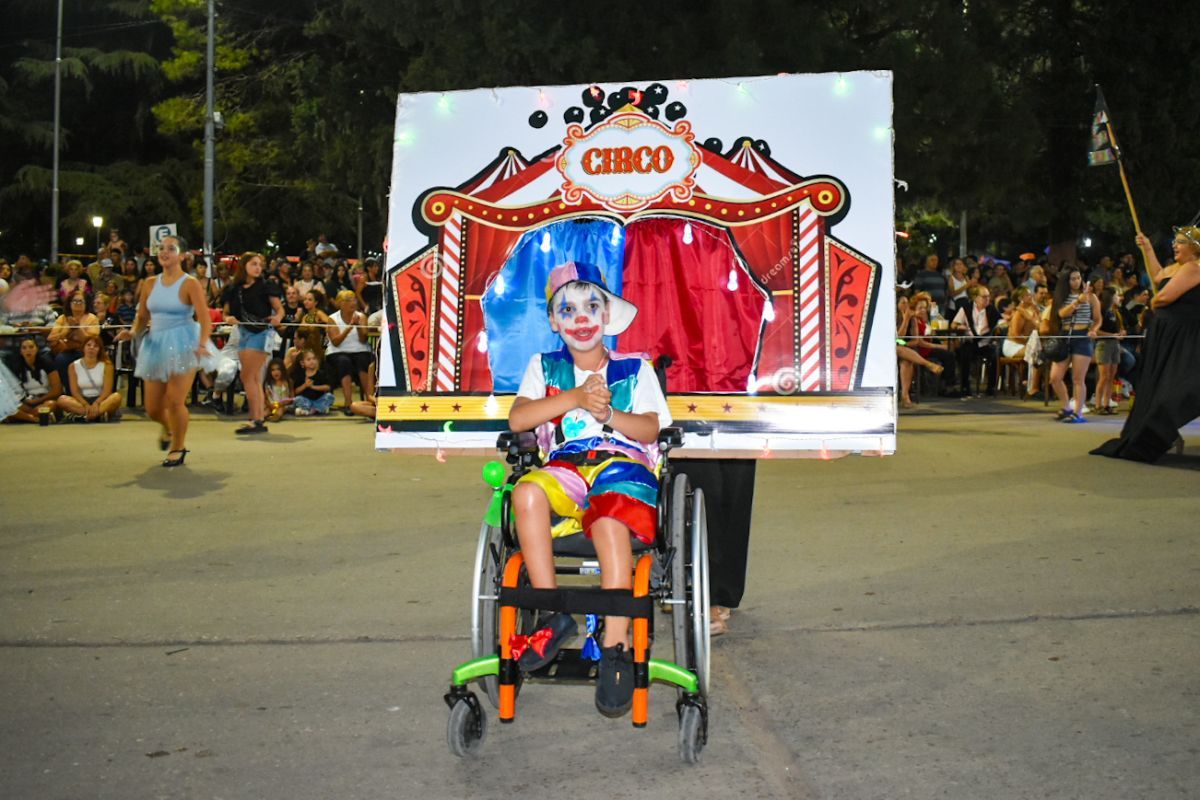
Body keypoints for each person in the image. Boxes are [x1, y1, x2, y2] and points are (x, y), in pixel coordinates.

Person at [506, 261, 670, 718]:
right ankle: (551, 614)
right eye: (568, 309)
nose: (580, 318)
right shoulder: (544, 367)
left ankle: (616, 642)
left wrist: (608, 415)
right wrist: (575, 398)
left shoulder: (635, 369)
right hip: (566, 466)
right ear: (553, 321)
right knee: (526, 492)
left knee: (611, 517)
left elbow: (652, 429)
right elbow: (518, 420)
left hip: (622, 463)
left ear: (607, 315)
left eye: (591, 306)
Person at [1092, 228, 1200, 462]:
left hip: (1182, 335)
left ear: (1194, 247)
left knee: (1175, 386)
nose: (1175, 245)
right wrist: (1148, 248)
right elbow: (1158, 276)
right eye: (1175, 241)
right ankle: (1153, 431)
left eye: (1181, 242)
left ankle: (1158, 431)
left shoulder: (1194, 268)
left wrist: (1154, 301)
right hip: (1166, 334)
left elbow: (1163, 297)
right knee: (1156, 383)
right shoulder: (1177, 268)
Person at [116, 234, 213, 467]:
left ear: (182, 255)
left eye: (171, 248)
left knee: (175, 400)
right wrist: (132, 332)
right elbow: (142, 317)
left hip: (183, 342)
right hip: (156, 344)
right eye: (161, 248)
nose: (164, 252)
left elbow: (205, 318)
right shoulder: (149, 283)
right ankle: (169, 428)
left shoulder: (190, 283)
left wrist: (202, 343)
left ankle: (178, 447)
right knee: (152, 408)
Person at [222, 251, 283, 435]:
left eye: (259, 264)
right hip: (243, 332)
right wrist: (228, 318)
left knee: (247, 376)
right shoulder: (233, 288)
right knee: (253, 378)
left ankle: (255, 419)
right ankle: (258, 419)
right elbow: (226, 313)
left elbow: (279, 309)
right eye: (253, 264)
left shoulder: (265, 286)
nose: (258, 268)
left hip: (261, 333)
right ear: (244, 266)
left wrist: (278, 318)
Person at [1043, 267, 1100, 423]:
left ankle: (1078, 412)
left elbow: (1097, 319)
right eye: (1072, 279)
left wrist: (1093, 330)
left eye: (1078, 278)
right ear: (1066, 281)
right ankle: (1066, 407)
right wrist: (1078, 301)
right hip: (1064, 336)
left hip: (1082, 337)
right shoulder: (1062, 297)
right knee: (1055, 377)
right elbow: (1061, 314)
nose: (1076, 281)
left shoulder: (1091, 297)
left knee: (1078, 379)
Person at [0, 280, 57, 421]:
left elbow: (53, 328)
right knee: (3, 356)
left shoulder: (44, 308)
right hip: (14, 347)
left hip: (40, 346)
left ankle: (33, 408)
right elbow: (3, 327)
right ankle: (20, 400)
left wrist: (35, 328)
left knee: (47, 356)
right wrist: (16, 328)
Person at [324, 289, 374, 414]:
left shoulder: (361, 316)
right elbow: (336, 342)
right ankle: (348, 402)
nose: (353, 302)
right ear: (340, 303)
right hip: (338, 351)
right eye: (348, 300)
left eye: (354, 299)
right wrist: (350, 327)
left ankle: (369, 399)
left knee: (363, 360)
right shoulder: (332, 319)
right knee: (343, 361)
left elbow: (363, 339)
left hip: (360, 350)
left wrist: (358, 326)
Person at [55, 336, 122, 422]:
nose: (91, 348)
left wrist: (97, 403)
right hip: (81, 401)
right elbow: (74, 391)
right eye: (89, 345)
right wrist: (85, 404)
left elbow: (107, 391)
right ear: (83, 347)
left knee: (116, 397)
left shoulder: (107, 365)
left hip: (101, 400)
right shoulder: (73, 366)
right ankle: (97, 415)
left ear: (99, 350)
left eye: (95, 346)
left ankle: (85, 416)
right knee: (62, 400)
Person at [951, 285, 999, 396]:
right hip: (971, 341)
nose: (987, 299)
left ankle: (991, 387)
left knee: (994, 355)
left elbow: (1000, 322)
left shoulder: (992, 309)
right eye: (984, 297)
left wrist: (999, 327)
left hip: (985, 342)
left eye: (988, 296)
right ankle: (965, 387)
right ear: (975, 298)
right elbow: (954, 324)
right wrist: (959, 326)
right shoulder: (966, 308)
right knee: (964, 354)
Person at [47, 293, 100, 388]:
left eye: (80, 301)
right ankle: (68, 390)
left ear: (86, 304)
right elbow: (51, 338)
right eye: (74, 301)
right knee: (60, 359)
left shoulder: (92, 318)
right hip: (65, 350)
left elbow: (92, 339)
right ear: (69, 303)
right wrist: (67, 330)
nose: (77, 303)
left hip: (84, 351)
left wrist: (77, 329)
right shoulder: (62, 318)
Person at [4, 337, 61, 423]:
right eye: (24, 348)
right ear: (20, 351)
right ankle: (34, 418)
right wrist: (26, 401)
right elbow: (14, 392)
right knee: (9, 407)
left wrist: (38, 400)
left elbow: (57, 390)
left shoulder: (47, 363)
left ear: (37, 349)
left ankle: (25, 417)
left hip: (45, 399)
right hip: (28, 401)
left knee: (51, 404)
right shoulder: (16, 367)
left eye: (31, 347)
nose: (28, 350)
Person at [1002, 287, 1041, 397]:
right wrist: (1029, 343)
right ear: (1020, 298)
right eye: (1027, 295)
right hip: (1013, 345)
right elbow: (1015, 335)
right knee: (1035, 353)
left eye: (1031, 294)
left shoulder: (1033, 310)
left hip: (1028, 344)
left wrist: (1037, 310)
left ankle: (1034, 384)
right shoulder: (1018, 313)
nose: (1031, 296)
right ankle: (1031, 388)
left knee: (1041, 352)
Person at [1092, 287, 1125, 415]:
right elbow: (1096, 331)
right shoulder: (1101, 311)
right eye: (1116, 295)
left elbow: (1118, 328)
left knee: (1111, 376)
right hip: (1104, 344)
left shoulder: (1115, 312)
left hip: (1114, 344)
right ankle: (1098, 404)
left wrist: (1121, 332)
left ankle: (1107, 403)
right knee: (1104, 376)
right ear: (1110, 297)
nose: (1119, 298)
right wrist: (1112, 335)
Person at [289, 349, 335, 415]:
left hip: (319, 400)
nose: (312, 361)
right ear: (302, 363)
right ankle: (317, 409)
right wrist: (305, 385)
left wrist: (313, 387)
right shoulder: (301, 374)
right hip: (306, 400)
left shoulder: (321, 373)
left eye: (314, 359)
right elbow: (296, 391)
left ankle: (309, 410)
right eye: (308, 359)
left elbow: (328, 387)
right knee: (298, 399)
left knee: (330, 396)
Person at [263, 357, 293, 422]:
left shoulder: (287, 382)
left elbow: (291, 397)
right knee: (266, 411)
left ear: (282, 370)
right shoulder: (268, 383)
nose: (276, 372)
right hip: (271, 405)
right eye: (273, 370)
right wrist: (269, 405)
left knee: (280, 410)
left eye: (278, 369)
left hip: (283, 405)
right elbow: (265, 398)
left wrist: (285, 402)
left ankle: (275, 417)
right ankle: (263, 417)